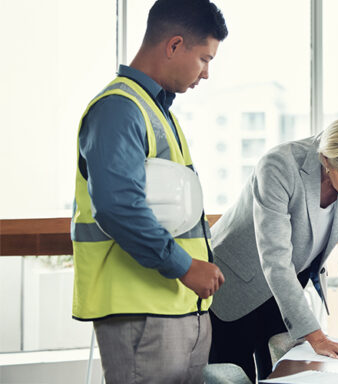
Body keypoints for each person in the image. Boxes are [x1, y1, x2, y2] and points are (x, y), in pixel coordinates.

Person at [70, 1, 228, 382]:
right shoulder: (119, 109)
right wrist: (186, 266)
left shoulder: (157, 111)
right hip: (142, 312)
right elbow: (117, 207)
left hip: (174, 308)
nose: (206, 73)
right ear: (174, 46)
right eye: (204, 59)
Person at [208, 114, 338, 382]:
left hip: (288, 286)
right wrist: (317, 336)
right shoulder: (279, 166)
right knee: (236, 374)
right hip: (236, 281)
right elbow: (275, 259)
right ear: (327, 161)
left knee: (284, 373)